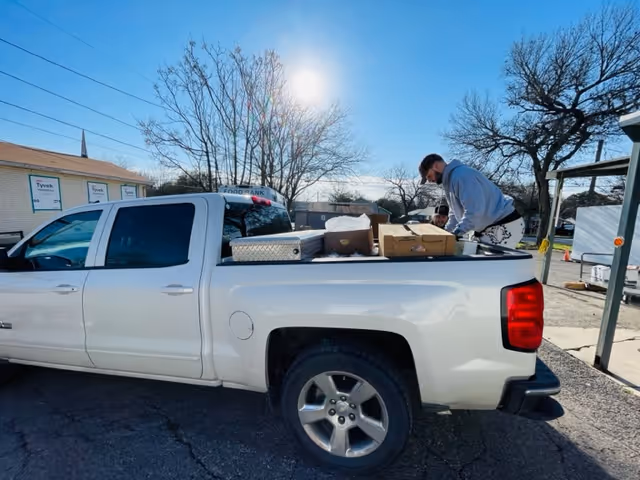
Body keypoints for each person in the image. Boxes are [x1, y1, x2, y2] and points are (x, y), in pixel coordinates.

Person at [418, 153, 524, 248]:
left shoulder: (461, 176)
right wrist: (447, 234)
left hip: (505, 224)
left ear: (436, 166)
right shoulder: (450, 182)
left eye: (429, 176)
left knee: (485, 267)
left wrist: (457, 233)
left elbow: (474, 211)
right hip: (492, 227)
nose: (430, 181)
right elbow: (454, 215)